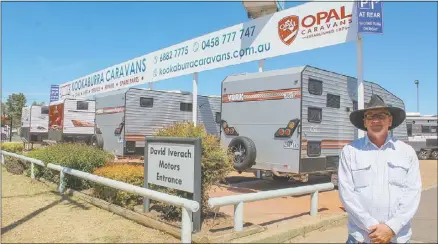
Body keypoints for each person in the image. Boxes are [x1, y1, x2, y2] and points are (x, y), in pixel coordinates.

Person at [338, 94, 422, 243]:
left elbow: (412, 193)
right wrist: (372, 227)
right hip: (361, 237)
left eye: (381, 116)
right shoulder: (350, 151)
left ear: (390, 121)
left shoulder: (407, 152)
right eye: (370, 116)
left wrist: (391, 228)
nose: (375, 120)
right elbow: (347, 194)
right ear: (364, 122)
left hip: (397, 237)